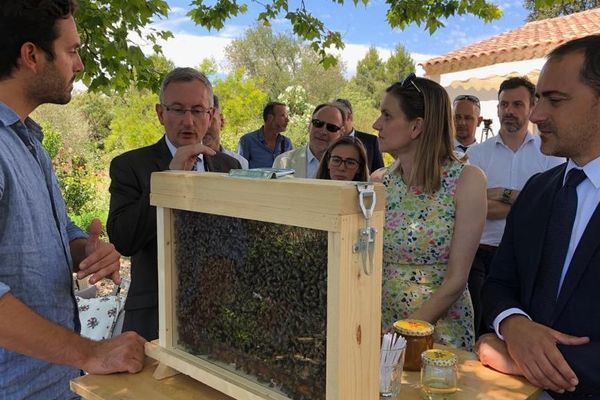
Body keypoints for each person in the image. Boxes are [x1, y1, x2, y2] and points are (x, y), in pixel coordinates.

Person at [0, 1, 145, 398]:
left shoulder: (30, 142)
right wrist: (92, 353)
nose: (79, 65)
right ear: (31, 55)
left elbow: (61, 229)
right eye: (72, 50)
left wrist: (86, 250)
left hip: (52, 384)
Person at [477, 34, 600, 398]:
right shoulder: (537, 192)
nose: (536, 114)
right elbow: (499, 283)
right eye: (539, 97)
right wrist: (512, 324)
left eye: (554, 100)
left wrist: (521, 361)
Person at [107, 68, 241, 341]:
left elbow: (239, 239)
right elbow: (124, 240)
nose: (188, 121)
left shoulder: (230, 167)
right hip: (154, 318)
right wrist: (169, 179)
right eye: (178, 110)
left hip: (219, 316)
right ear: (160, 113)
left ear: (211, 115)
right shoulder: (129, 165)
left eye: (198, 110)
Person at [371, 73, 487, 351]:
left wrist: (401, 335)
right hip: (381, 325)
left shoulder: (467, 181)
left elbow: (457, 280)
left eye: (387, 115)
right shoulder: (378, 181)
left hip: (439, 333)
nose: (376, 125)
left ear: (416, 127)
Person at [467, 76, 564, 339]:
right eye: (503, 104)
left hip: (528, 256)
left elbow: (553, 206)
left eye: (517, 104)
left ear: (532, 107)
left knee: (516, 329)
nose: (509, 111)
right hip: (479, 255)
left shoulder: (550, 154)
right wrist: (528, 203)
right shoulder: (476, 155)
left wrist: (500, 194)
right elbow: (470, 208)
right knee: (477, 327)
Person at [273, 102, 345, 178]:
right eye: (318, 123)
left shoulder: (347, 168)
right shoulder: (284, 163)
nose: (323, 132)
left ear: (341, 133)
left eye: (332, 127)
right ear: (309, 125)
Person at [237, 102, 292, 168]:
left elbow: (291, 169)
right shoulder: (247, 141)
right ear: (270, 118)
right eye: (283, 116)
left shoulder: (286, 143)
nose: (287, 120)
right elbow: (240, 171)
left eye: (287, 116)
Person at [335, 98, 384, 172]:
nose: (335, 123)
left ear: (349, 117)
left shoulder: (371, 142)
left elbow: (379, 173)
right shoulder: (327, 140)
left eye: (338, 118)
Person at [203, 95, 249, 169]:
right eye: (201, 122)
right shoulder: (185, 162)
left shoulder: (238, 163)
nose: (205, 127)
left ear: (222, 121)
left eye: (211, 121)